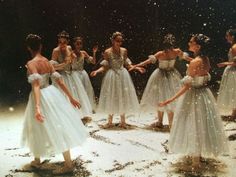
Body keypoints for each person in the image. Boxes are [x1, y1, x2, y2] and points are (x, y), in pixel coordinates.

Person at [159, 34, 228, 171]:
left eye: (191, 42)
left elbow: (187, 86)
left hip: (194, 95)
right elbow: (197, 65)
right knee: (202, 124)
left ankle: (196, 162)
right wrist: (186, 58)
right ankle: (198, 155)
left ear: (198, 46)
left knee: (193, 124)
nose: (189, 43)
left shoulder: (195, 62)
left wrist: (170, 99)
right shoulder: (205, 59)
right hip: (204, 94)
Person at [21, 34, 88, 174]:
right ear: (40, 46)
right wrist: (71, 97)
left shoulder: (31, 63)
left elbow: (36, 86)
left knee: (42, 127)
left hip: (40, 97)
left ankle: (67, 164)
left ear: (28, 47)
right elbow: (59, 80)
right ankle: (38, 159)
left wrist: (38, 107)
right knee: (55, 125)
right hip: (51, 94)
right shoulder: (46, 61)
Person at [132, 34, 191, 129]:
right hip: (169, 75)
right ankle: (164, 122)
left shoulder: (162, 53)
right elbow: (187, 58)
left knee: (162, 97)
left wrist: (136, 65)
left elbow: (147, 61)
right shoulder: (175, 52)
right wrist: (136, 65)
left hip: (165, 75)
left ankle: (165, 122)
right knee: (165, 97)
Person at [90, 32, 144, 128]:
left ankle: (123, 121)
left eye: (120, 41)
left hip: (123, 75)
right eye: (117, 41)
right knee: (112, 95)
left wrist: (136, 68)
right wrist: (97, 71)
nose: (119, 43)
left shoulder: (124, 51)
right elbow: (105, 66)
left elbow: (127, 64)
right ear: (113, 41)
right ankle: (110, 121)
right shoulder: (108, 52)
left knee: (122, 95)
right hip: (112, 76)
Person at [50, 31, 92, 119]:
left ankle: (75, 116)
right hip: (62, 75)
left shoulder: (69, 48)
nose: (62, 44)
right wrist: (64, 64)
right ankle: (65, 118)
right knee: (64, 97)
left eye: (64, 42)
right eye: (60, 42)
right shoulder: (55, 51)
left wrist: (72, 59)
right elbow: (53, 68)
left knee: (76, 94)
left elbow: (71, 62)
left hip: (71, 74)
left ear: (68, 42)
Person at [71, 37, 97, 111]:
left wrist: (94, 52)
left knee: (85, 90)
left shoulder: (83, 53)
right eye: (77, 44)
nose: (79, 45)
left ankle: (86, 107)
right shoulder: (71, 53)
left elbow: (93, 62)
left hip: (83, 74)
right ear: (74, 44)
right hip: (74, 74)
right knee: (76, 91)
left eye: (80, 44)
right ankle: (77, 108)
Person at [217, 29, 236, 120]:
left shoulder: (234, 47)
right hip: (231, 70)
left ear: (232, 36)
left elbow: (235, 63)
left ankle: (234, 114)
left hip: (233, 71)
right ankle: (234, 113)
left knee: (233, 92)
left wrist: (224, 63)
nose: (226, 37)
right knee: (233, 92)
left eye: (227, 35)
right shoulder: (233, 46)